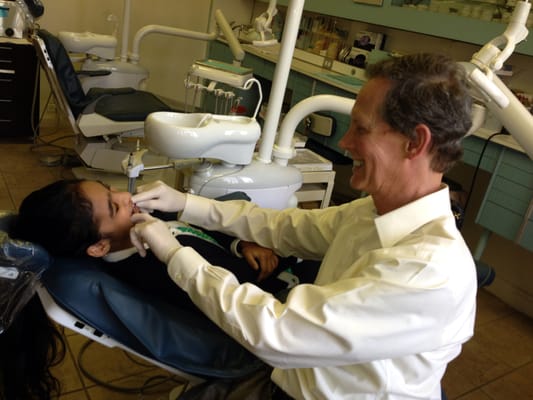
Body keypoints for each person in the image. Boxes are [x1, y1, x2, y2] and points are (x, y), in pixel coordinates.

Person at [129, 53, 478, 399]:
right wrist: (187, 204)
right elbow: (285, 227)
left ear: (415, 142)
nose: (345, 142)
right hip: (294, 377)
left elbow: (277, 333)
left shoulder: (428, 272)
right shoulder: (372, 212)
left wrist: (175, 254)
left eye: (361, 128)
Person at [12, 179, 315, 307]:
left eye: (110, 189)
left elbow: (205, 224)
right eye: (114, 206)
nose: (124, 196)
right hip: (273, 287)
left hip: (253, 252)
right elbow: (229, 292)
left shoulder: (147, 216)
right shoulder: (153, 270)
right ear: (99, 247)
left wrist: (244, 244)